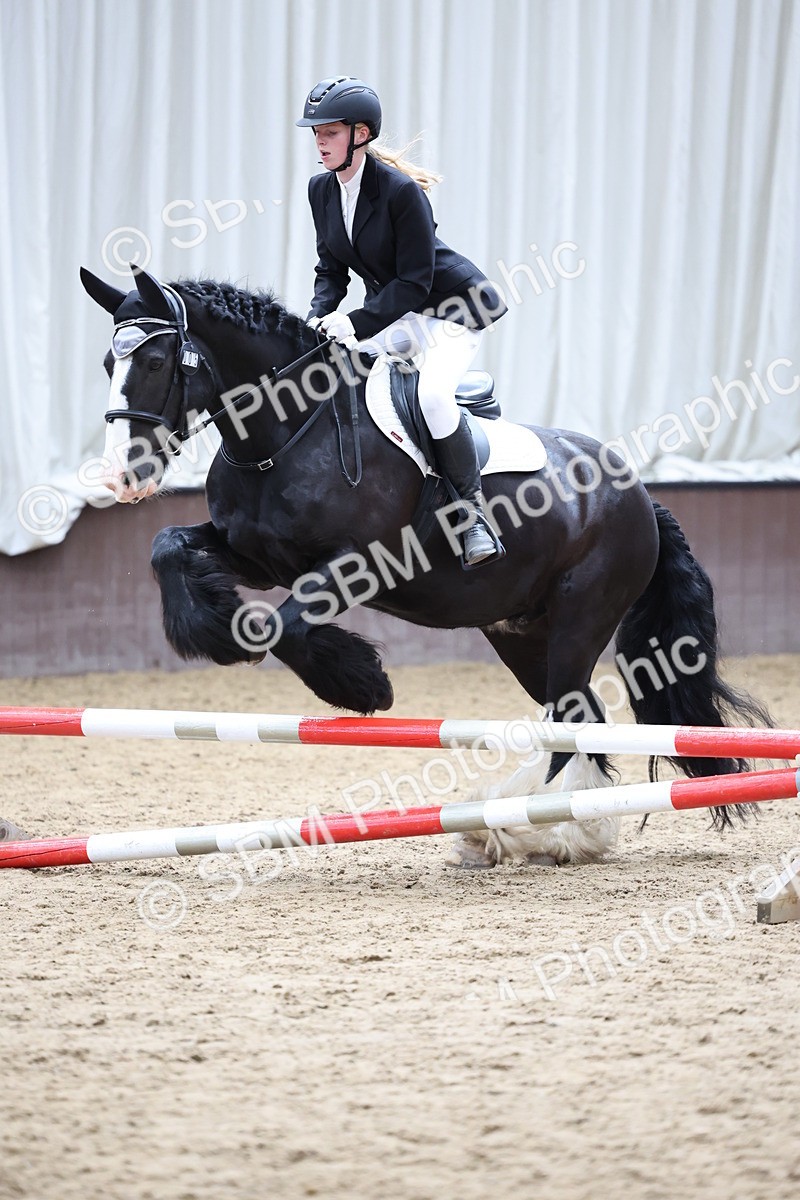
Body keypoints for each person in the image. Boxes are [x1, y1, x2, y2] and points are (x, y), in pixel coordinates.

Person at [297, 76, 508, 566]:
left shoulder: (401, 192)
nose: (320, 142)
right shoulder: (321, 190)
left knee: (432, 397)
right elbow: (331, 270)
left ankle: (472, 516)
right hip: (397, 314)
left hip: (451, 310)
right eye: (316, 133)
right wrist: (317, 317)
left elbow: (415, 281)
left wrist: (356, 322)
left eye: (330, 133)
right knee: (331, 373)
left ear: (361, 134)